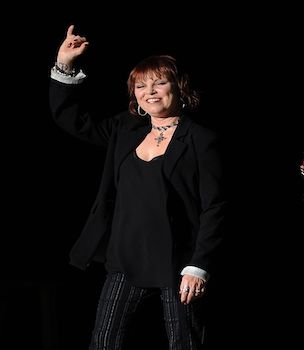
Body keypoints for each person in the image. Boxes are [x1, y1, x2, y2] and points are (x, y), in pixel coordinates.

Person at [49, 25, 227, 350]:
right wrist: (65, 65)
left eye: (160, 82)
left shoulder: (202, 140)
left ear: (179, 86)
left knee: (184, 345)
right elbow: (71, 119)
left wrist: (199, 266)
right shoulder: (124, 129)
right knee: (103, 343)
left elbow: (215, 206)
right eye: (141, 85)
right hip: (125, 258)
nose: (151, 91)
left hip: (178, 262)